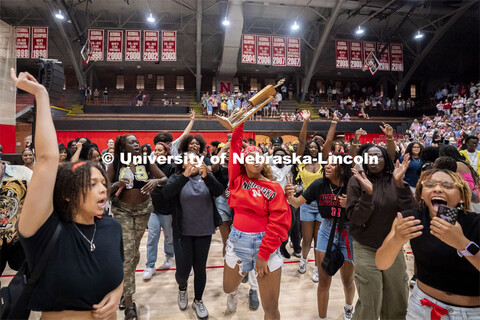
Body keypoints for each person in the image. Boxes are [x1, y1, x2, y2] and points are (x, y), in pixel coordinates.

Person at [11, 69, 123, 319]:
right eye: (92, 184)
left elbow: (116, 273)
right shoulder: (44, 230)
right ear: (69, 194)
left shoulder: (112, 228)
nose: (103, 188)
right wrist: (41, 94)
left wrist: (118, 291)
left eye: (102, 182)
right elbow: (48, 158)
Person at [376, 168, 480, 319]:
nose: (437, 189)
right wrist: (397, 239)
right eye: (430, 185)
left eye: (448, 186)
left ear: (462, 197)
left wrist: (463, 244)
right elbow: (381, 263)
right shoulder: (411, 220)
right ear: (422, 194)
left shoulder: (475, 223)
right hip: (421, 307)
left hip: (471, 312)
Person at [222, 122, 291, 318]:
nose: (256, 159)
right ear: (242, 162)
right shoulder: (237, 179)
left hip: (265, 246)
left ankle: (253, 279)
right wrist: (239, 122)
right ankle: (239, 287)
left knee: (271, 309)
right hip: (237, 243)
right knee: (228, 288)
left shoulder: (274, 187)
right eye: (250, 157)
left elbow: (279, 223)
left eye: (259, 156)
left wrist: (262, 254)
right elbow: (236, 145)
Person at [346, 145, 417, 320]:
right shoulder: (356, 181)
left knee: (397, 301)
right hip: (365, 247)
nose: (373, 160)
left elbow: (412, 215)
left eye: (377, 156)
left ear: (386, 158)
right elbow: (356, 218)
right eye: (369, 157)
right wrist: (368, 194)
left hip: (393, 247)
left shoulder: (396, 180)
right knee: (370, 301)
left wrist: (400, 185)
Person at [286, 154, 355, 320]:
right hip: (326, 228)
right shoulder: (319, 184)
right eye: (327, 163)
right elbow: (296, 203)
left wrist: (350, 203)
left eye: (333, 164)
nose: (328, 166)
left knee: (347, 280)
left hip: (348, 231)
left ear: (343, 168)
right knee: (324, 280)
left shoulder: (353, 185)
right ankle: (322, 318)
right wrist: (289, 196)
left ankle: (348, 306)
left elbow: (365, 209)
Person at [107, 134, 167, 319]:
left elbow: (164, 178)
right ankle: (129, 302)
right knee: (128, 254)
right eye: (131, 142)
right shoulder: (115, 164)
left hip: (144, 210)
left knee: (133, 254)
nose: (136, 144)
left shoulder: (145, 161)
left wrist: (156, 181)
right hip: (122, 211)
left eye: (137, 142)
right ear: (123, 147)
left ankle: (125, 288)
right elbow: (105, 187)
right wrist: (116, 184)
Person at [162, 152, 224, 320]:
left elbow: (220, 191)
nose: (193, 163)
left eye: (196, 160)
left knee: (200, 268)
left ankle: (198, 300)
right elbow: (166, 193)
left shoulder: (207, 177)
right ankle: (182, 289)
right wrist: (184, 176)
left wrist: (207, 177)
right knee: (182, 270)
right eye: (189, 160)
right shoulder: (177, 178)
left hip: (204, 231)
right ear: (182, 165)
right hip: (183, 232)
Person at [143, 142, 176, 280]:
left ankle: (169, 256)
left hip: (167, 208)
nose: (157, 152)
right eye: (155, 150)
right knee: (152, 238)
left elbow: (170, 183)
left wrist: (157, 182)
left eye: (160, 150)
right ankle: (150, 265)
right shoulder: (149, 166)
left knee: (169, 238)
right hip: (153, 209)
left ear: (166, 152)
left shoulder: (171, 166)